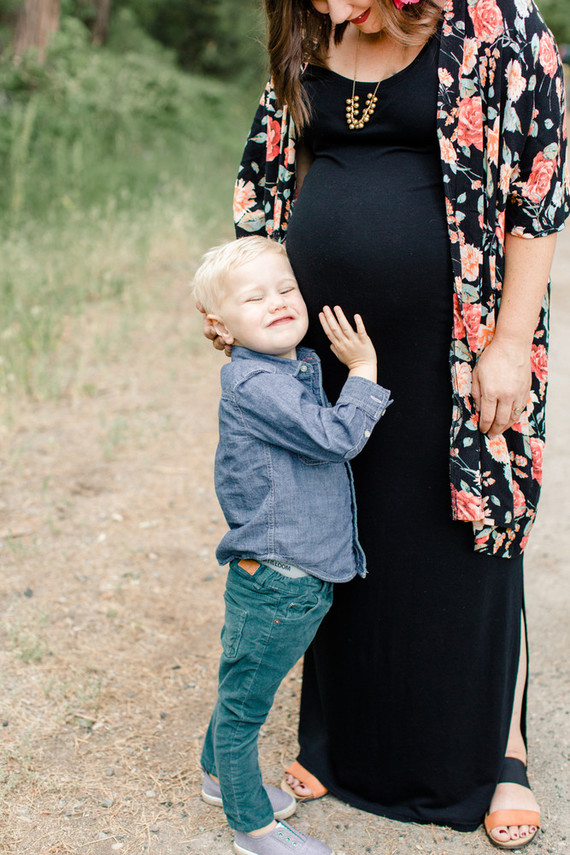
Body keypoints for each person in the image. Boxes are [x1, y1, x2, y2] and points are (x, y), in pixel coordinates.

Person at [200, 0, 570, 849]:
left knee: (463, 529)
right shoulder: (308, 23)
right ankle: (342, 742)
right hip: (317, 345)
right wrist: (250, 310)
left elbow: (537, 198)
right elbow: (266, 178)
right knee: (335, 527)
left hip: (459, 340)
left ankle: (499, 752)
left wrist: (509, 344)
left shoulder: (500, 24)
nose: (334, 11)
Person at [193, 236, 391, 855]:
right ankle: (250, 827)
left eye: (287, 289)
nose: (279, 302)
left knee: (245, 683)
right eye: (255, 297)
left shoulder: (286, 367)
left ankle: (217, 777)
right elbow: (336, 439)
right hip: (279, 578)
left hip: (292, 574)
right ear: (219, 325)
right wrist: (363, 372)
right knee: (245, 705)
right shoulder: (258, 384)